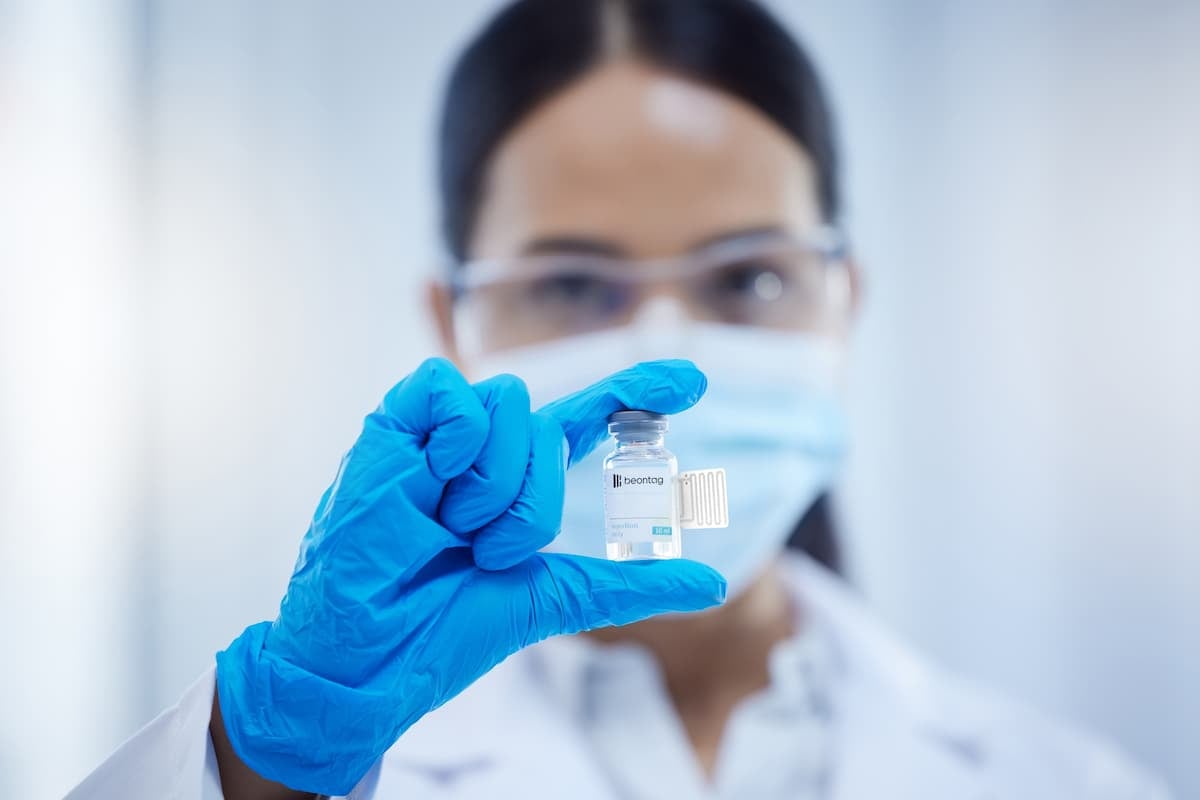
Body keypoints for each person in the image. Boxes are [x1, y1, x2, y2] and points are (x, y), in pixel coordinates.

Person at [69, 1, 1170, 798]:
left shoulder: (1067, 779)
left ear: (847, 302)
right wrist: (269, 766)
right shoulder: (319, 772)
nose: (662, 351)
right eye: (572, 282)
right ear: (452, 326)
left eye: (748, 275)